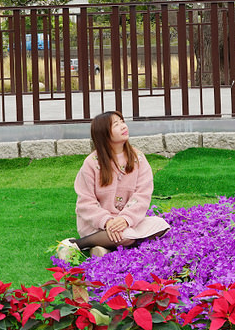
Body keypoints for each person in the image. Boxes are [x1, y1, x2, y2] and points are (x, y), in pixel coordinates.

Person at [56, 110, 169, 261]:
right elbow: (85, 202)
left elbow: (142, 195)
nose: (123, 126)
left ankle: (102, 249)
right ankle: (76, 243)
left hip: (127, 223)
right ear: (104, 133)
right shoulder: (91, 163)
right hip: (97, 226)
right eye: (116, 124)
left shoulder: (138, 159)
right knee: (126, 236)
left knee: (161, 225)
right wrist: (107, 221)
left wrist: (125, 219)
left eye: (122, 121)